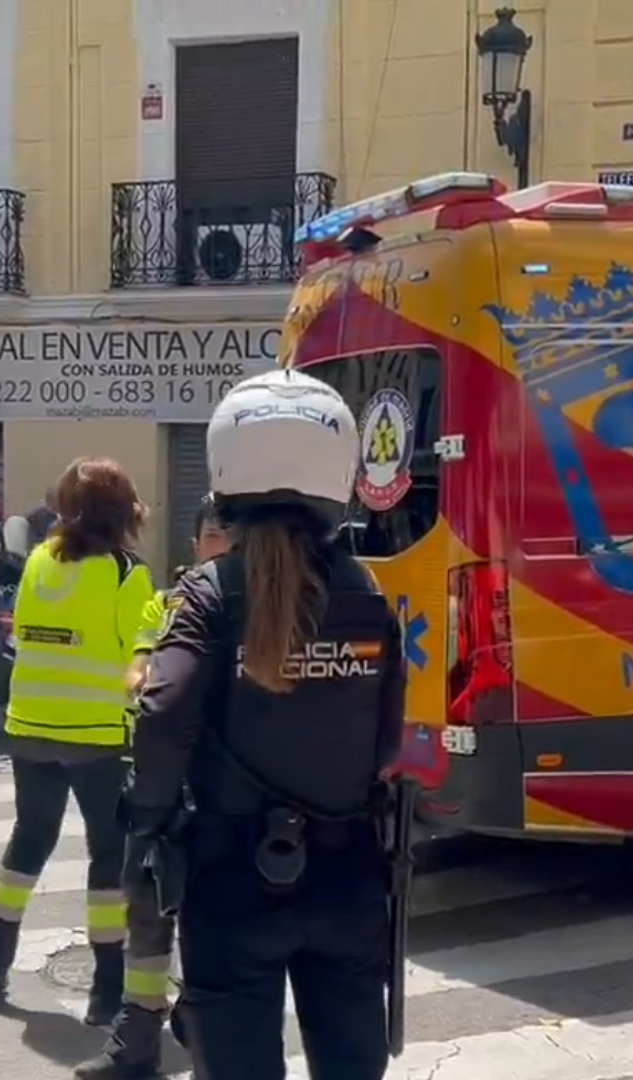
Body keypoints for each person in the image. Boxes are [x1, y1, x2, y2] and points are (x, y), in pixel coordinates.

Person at [128, 370, 407, 1080]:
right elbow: (386, 739)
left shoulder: (207, 591)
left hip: (231, 875)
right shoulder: (365, 591)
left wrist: (151, 825)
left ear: (226, 473)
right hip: (348, 873)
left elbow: (162, 713)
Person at [0, 458, 156, 1025]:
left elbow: (23, 632)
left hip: (30, 729)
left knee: (29, 841)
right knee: (108, 856)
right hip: (98, 737)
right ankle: (107, 990)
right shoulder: (128, 573)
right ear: (124, 511)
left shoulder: (40, 563)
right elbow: (140, 659)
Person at [76, 494, 235, 1079]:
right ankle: (138, 1035)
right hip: (165, 781)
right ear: (196, 544)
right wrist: (143, 681)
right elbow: (141, 663)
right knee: (145, 906)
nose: (224, 544)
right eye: (214, 533)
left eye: (232, 534)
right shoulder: (166, 605)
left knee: (218, 914)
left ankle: (202, 1016)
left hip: (229, 787)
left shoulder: (256, 606)